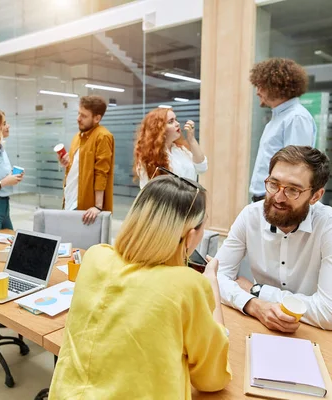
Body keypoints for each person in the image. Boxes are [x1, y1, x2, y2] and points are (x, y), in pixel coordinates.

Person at [49, 173, 232, 399]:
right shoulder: (187, 285)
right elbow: (212, 379)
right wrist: (211, 281)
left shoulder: (96, 256)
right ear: (190, 234)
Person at [216, 146, 332, 332]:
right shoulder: (250, 216)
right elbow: (214, 277)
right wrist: (253, 305)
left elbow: (329, 314)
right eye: (273, 184)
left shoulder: (331, 226)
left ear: (316, 196)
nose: (278, 197)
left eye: (293, 190)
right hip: (258, 325)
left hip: (311, 331)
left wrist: (258, 290)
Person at [249, 58, 317, 202]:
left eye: (261, 86)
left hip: (277, 199)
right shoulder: (279, 118)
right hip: (266, 196)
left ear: (277, 86)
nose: (257, 92)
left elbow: (296, 167)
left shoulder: (296, 117)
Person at [58, 95, 115, 225]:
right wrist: (65, 163)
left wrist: (98, 206)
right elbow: (78, 168)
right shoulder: (77, 137)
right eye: (79, 114)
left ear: (97, 118)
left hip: (87, 207)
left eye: (84, 116)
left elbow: (101, 172)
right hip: (69, 200)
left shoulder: (103, 136)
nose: (78, 119)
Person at [134, 107, 207, 188]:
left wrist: (191, 139)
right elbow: (149, 190)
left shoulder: (181, 150)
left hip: (190, 199)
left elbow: (202, 168)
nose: (177, 124)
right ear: (159, 129)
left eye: (176, 119)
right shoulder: (149, 157)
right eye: (171, 121)